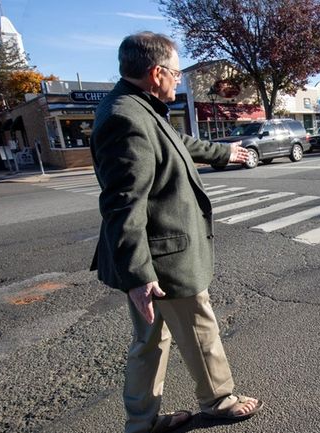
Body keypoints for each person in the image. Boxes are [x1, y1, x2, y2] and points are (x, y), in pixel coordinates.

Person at [90, 32, 262, 433]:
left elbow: (179, 143)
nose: (177, 80)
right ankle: (219, 401)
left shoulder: (139, 108)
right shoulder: (126, 119)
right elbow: (123, 202)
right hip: (161, 259)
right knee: (199, 328)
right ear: (155, 73)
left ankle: (142, 421)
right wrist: (139, 276)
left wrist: (225, 152)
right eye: (174, 72)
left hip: (154, 256)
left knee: (151, 341)